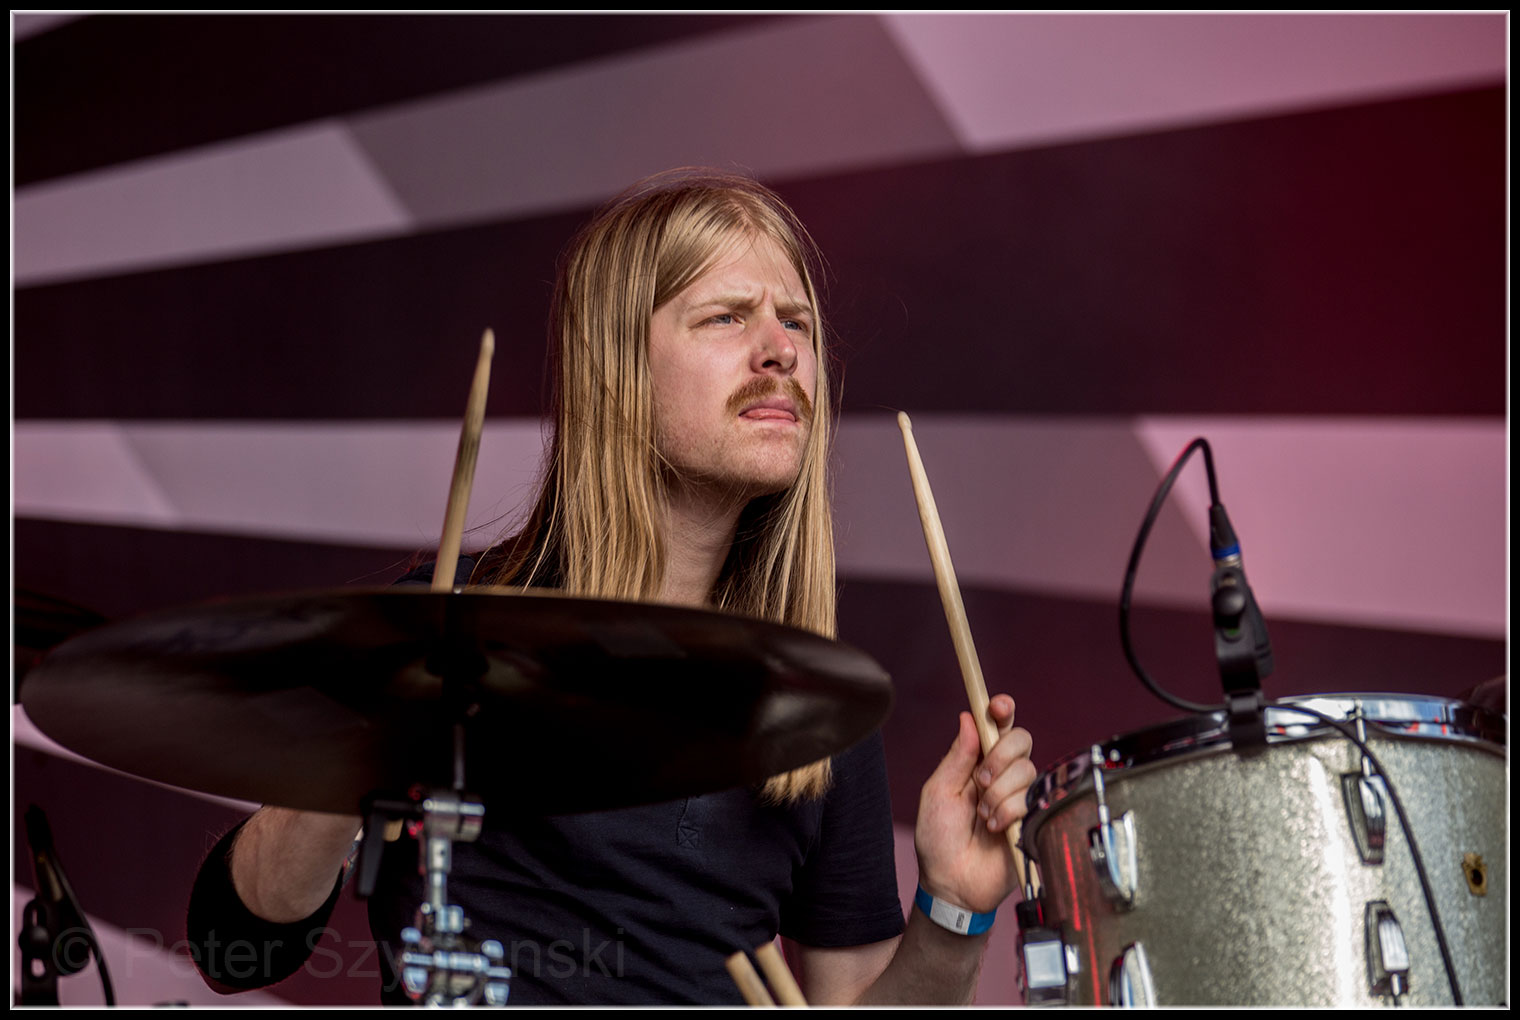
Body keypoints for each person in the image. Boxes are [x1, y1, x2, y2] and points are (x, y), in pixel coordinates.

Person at [186, 169, 1036, 1005]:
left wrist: (952, 910)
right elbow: (236, 942)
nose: (781, 348)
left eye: (797, 321)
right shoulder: (445, 626)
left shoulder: (819, 700)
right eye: (727, 316)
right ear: (616, 369)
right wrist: (353, 754)